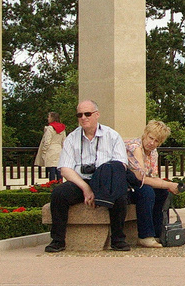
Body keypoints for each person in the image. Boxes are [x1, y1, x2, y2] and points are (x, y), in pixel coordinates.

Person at [45, 100, 133, 252]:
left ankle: (118, 239)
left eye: (88, 114)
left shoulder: (112, 136)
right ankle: (58, 240)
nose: (83, 118)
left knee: (120, 195)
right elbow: (65, 168)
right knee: (59, 194)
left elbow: (121, 165)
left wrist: (102, 181)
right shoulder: (72, 138)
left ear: (97, 115)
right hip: (81, 181)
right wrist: (86, 188)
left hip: (106, 180)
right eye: (79, 115)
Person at [128, 120, 180, 248]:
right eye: (151, 138)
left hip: (137, 185)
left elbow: (153, 177)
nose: (152, 143)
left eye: (157, 141)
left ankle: (159, 233)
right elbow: (141, 178)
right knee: (146, 192)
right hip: (125, 185)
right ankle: (145, 236)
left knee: (161, 193)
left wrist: (169, 185)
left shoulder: (153, 152)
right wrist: (167, 185)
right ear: (145, 134)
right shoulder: (135, 147)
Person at [34, 111, 66, 184]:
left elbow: (47, 141)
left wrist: (44, 152)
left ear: (52, 118)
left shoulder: (50, 128)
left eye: (49, 117)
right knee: (58, 170)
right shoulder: (62, 128)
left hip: (51, 150)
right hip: (59, 150)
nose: (48, 118)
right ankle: (60, 185)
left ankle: (52, 186)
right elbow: (64, 141)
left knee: (51, 170)